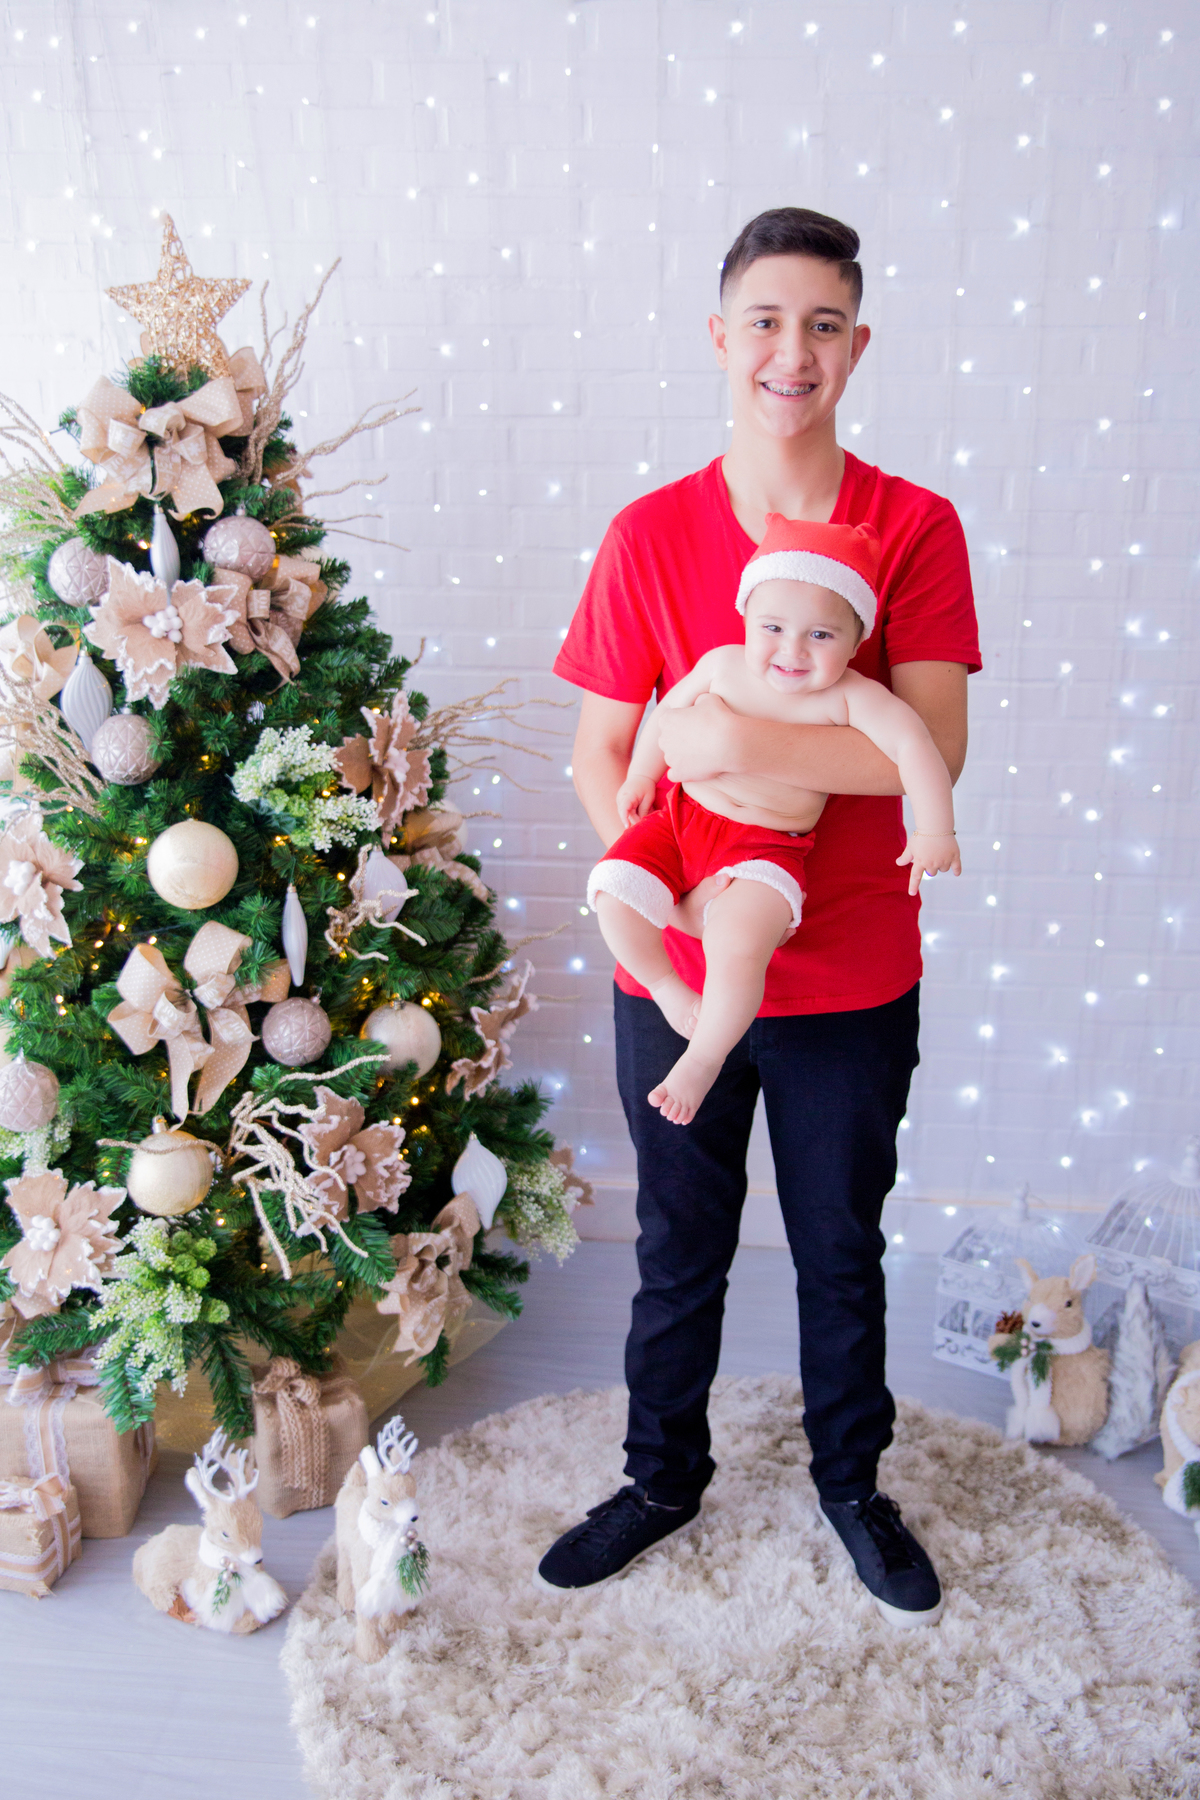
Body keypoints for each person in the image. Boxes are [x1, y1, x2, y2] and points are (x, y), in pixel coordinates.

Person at [543, 207, 980, 1628]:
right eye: (768, 320)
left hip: (851, 971)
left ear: (858, 345)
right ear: (722, 337)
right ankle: (661, 1476)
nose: (794, 350)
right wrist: (665, 879)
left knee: (842, 1250)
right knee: (679, 1247)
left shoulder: (913, 530)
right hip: (678, 971)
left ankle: (852, 1483)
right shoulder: (648, 535)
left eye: (826, 323)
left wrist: (730, 760)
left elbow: (923, 750)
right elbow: (604, 758)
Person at [587, 515, 961, 1125]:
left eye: (820, 634)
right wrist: (638, 777)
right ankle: (665, 986)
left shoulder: (852, 697)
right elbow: (665, 716)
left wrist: (935, 830)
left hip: (764, 848)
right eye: (773, 627)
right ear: (746, 618)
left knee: (738, 940)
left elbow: (920, 748)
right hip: (681, 821)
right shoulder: (722, 665)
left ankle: (704, 1056)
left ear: (855, 637)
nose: (792, 650)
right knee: (613, 893)